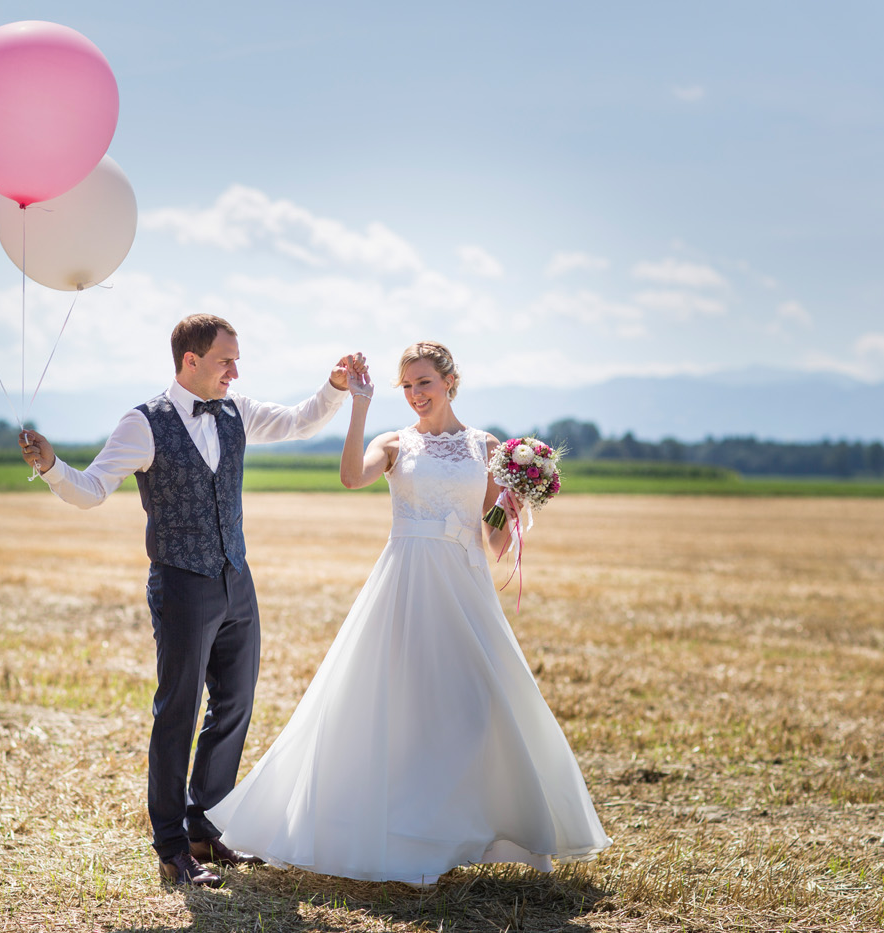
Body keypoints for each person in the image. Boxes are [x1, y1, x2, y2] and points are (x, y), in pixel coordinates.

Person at [206, 341, 612, 885]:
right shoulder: (395, 443)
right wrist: (360, 405)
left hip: (465, 585)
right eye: (408, 386)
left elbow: (493, 540)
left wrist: (514, 503)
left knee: (476, 707)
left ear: (450, 382)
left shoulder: (487, 447)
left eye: (425, 382)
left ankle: (462, 829)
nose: (416, 394)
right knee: (399, 705)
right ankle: (403, 837)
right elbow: (352, 477)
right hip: (407, 581)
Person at [19, 314, 360, 888]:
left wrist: (334, 388)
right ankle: (172, 848)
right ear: (190, 361)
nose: (235, 372)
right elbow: (92, 490)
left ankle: (206, 825)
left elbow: (301, 421)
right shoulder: (143, 423)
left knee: (236, 704)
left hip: (236, 579)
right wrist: (51, 467)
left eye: (237, 361)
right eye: (226, 361)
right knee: (177, 711)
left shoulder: (236, 409)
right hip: (180, 583)